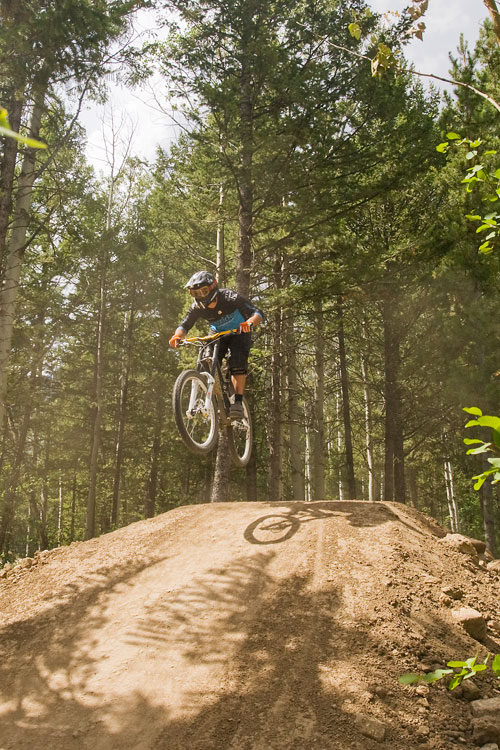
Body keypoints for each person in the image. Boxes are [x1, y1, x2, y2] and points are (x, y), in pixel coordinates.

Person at [169, 270, 263, 418]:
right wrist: (176, 336)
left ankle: (237, 401)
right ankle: (213, 397)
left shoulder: (228, 296)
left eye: (204, 291)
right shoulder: (197, 307)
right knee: (204, 363)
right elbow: (185, 324)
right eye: (195, 293)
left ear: (212, 288)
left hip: (238, 331)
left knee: (237, 362)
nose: (200, 296)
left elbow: (257, 312)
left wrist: (249, 323)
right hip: (217, 333)